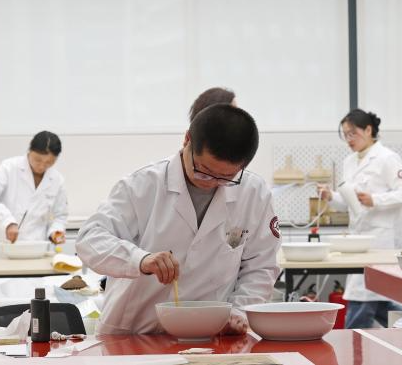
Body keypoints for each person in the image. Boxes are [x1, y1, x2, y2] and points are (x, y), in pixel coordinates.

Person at [76, 104, 280, 335]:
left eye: (226, 177)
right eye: (203, 170)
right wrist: (140, 259)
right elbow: (90, 239)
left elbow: (261, 266)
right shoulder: (142, 185)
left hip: (210, 333)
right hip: (134, 332)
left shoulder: (254, 194)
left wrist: (239, 310)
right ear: (187, 140)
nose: (211, 182)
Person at [317, 109, 402, 328]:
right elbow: (350, 202)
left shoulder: (387, 158)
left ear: (368, 130)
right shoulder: (349, 162)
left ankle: (352, 345)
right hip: (358, 241)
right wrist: (331, 196)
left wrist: (375, 200)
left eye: (353, 133)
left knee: (363, 298)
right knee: (377, 301)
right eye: (345, 135)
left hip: (381, 240)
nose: (349, 139)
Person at [0, 130, 68, 256]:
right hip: (3, 248)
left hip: (36, 249)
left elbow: (60, 215)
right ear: (29, 150)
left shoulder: (56, 179)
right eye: (37, 160)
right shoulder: (9, 167)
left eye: (49, 163)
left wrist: (56, 231)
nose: (41, 166)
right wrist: (7, 222)